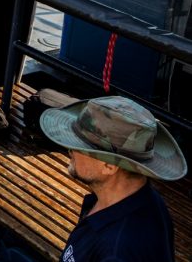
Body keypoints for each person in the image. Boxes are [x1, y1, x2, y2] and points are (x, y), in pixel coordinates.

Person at [40, 95, 187, 262]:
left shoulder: (116, 252)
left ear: (109, 166)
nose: (70, 150)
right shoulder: (147, 200)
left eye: (81, 147)